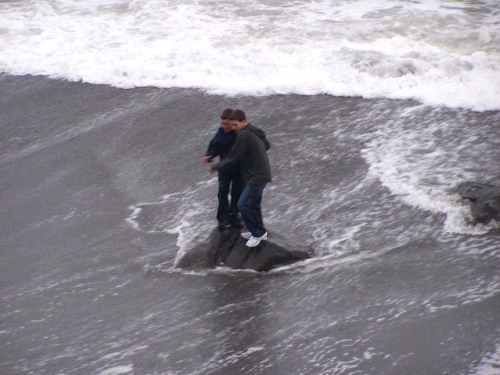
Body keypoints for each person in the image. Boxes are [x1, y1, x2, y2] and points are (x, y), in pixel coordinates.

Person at [206, 109, 272, 247]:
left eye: (235, 125)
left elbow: (233, 158)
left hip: (256, 175)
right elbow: (267, 145)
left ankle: (257, 233)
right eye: (232, 125)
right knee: (253, 205)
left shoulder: (244, 135)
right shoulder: (254, 130)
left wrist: (215, 166)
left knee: (243, 204)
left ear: (243, 121)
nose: (234, 128)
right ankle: (259, 232)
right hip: (260, 173)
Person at [202, 108, 245, 229]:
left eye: (227, 124)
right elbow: (215, 147)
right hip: (224, 169)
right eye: (222, 123)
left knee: (237, 193)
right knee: (222, 191)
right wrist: (209, 156)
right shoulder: (221, 133)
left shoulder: (240, 133)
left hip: (239, 169)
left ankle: (235, 215)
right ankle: (222, 217)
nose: (224, 126)